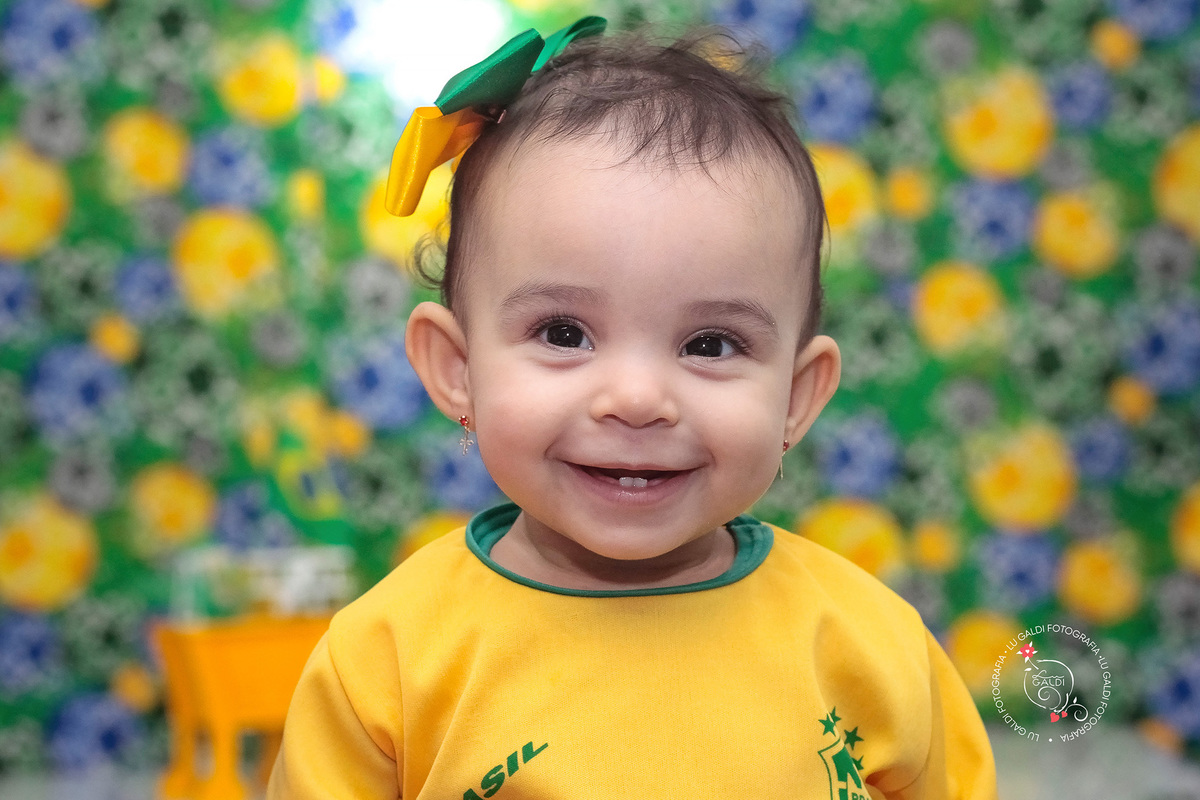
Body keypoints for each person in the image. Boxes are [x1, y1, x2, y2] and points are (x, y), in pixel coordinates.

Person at [267, 17, 998, 800]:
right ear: (457, 369)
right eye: (564, 333)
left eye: (710, 344)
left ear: (796, 395)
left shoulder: (871, 646)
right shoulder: (384, 661)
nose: (638, 400)